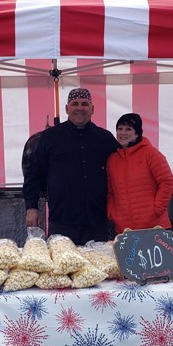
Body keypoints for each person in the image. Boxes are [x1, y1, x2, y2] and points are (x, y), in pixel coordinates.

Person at [22, 88, 119, 245]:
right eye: (74, 104)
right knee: (63, 267)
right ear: (67, 109)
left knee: (97, 266)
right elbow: (34, 172)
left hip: (97, 220)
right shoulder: (49, 137)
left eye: (84, 104)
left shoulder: (105, 138)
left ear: (92, 109)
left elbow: (123, 169)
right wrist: (31, 208)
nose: (79, 108)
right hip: (62, 219)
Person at [107, 113, 173, 234]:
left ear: (137, 133)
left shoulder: (150, 153)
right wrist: (112, 212)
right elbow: (111, 191)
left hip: (154, 227)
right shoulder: (112, 159)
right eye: (120, 129)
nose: (123, 133)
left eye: (128, 129)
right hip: (124, 229)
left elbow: (167, 182)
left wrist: (157, 209)